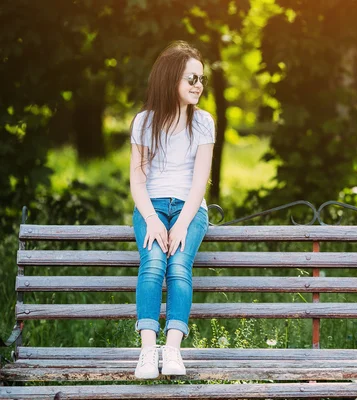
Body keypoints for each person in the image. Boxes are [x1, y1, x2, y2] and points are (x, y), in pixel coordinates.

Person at [129, 41, 215, 379]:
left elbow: (199, 183)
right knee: (152, 263)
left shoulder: (203, 122)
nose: (198, 85)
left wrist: (182, 224)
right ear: (170, 79)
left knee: (179, 265)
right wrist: (151, 218)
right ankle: (148, 353)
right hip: (150, 206)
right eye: (191, 78)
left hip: (190, 209)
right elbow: (137, 181)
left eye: (201, 79)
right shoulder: (144, 122)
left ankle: (173, 350)